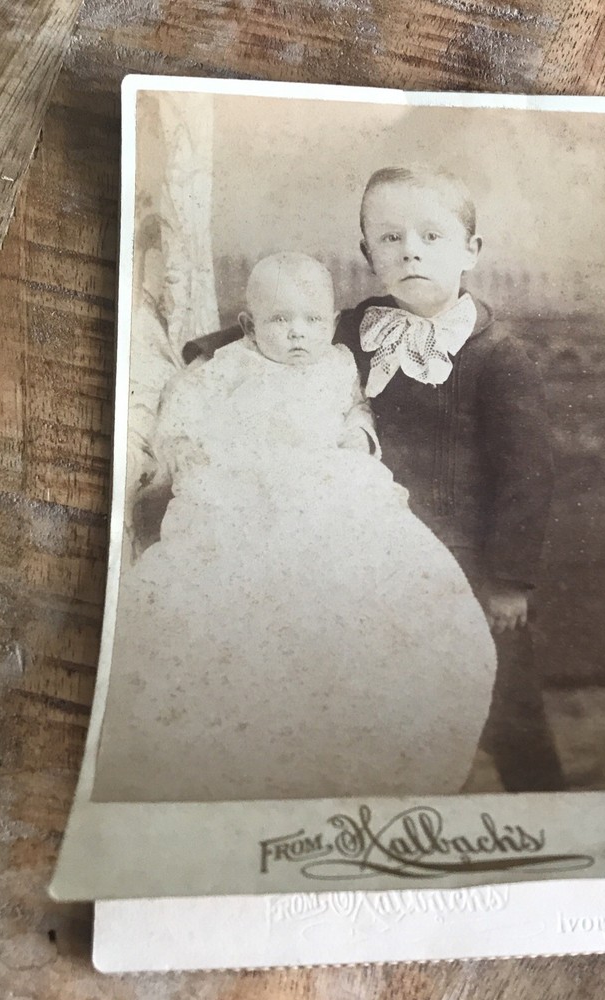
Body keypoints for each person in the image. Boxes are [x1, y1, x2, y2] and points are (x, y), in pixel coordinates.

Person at [92, 252, 497, 802]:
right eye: (280, 322)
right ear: (249, 326)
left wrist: (358, 436)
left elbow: (356, 410)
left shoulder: (336, 365)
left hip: (328, 492)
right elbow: (183, 410)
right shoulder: (229, 366)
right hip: (243, 493)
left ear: (331, 324)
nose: (297, 334)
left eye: (310, 320)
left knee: (377, 590)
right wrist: (186, 451)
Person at [336, 166, 565, 792]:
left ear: (471, 250)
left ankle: (549, 819)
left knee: (505, 702)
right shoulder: (353, 334)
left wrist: (510, 580)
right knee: (405, 704)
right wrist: (214, 349)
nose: (410, 248)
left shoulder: (498, 356)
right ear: (367, 255)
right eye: (389, 238)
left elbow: (527, 474)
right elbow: (283, 335)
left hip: (472, 562)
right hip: (380, 556)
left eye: (432, 235)